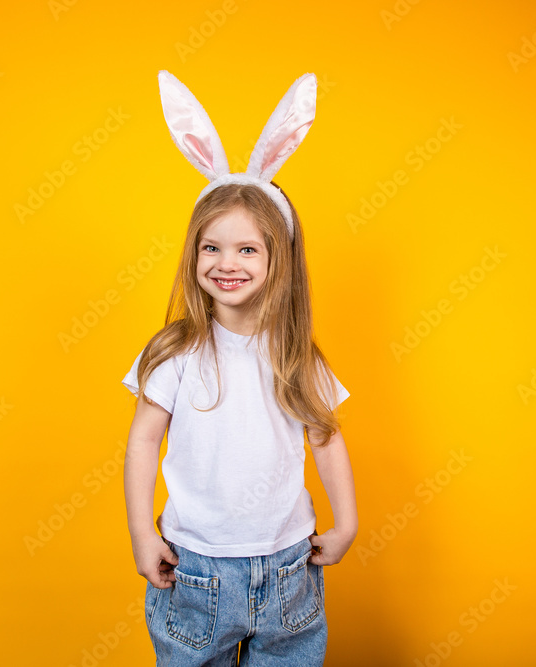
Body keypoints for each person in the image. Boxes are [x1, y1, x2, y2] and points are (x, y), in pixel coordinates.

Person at [121, 71, 357, 666]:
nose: (227, 263)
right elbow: (143, 442)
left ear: (279, 259)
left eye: (247, 249)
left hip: (288, 569)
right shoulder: (175, 352)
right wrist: (144, 534)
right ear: (193, 253)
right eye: (212, 247)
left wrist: (347, 521)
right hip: (195, 571)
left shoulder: (296, 353)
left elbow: (325, 437)